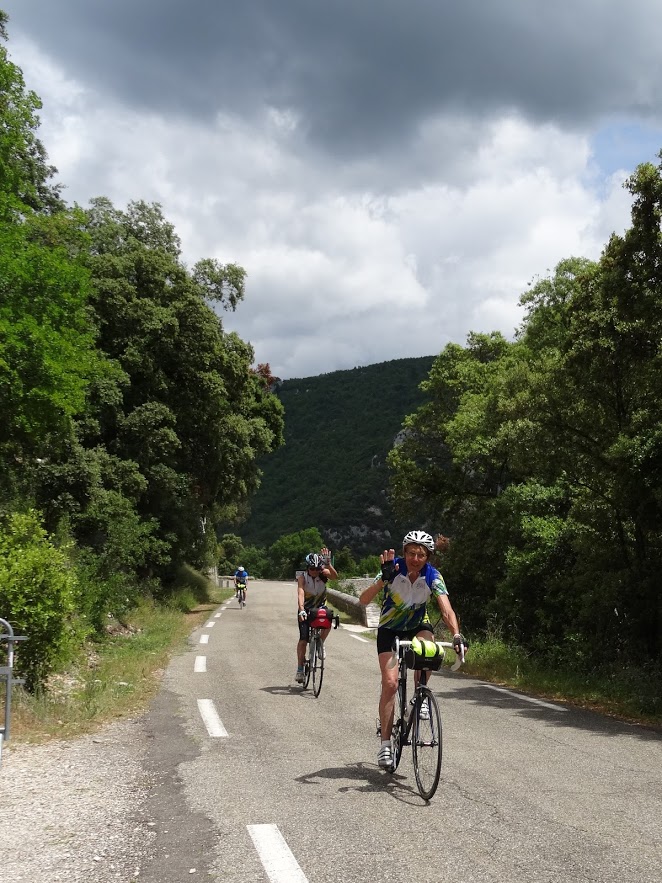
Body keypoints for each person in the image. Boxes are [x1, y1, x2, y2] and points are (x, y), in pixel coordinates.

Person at [359, 530, 466, 770]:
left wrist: (457, 635)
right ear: (404, 552)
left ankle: (422, 694)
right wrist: (381, 580)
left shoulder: (433, 576)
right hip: (390, 628)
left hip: (418, 625)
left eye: (421, 554)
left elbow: (446, 609)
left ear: (428, 557)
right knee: (390, 683)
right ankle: (386, 744)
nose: (415, 559)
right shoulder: (393, 569)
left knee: (429, 651)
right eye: (411, 553)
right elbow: (363, 600)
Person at [295, 547, 338, 683]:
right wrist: (301, 609)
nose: (314, 571)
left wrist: (328, 564)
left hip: (320, 608)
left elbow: (335, 577)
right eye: (312, 569)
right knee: (303, 640)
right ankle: (300, 669)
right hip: (306, 609)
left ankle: (320, 643)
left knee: (329, 618)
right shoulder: (303, 578)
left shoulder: (323, 574)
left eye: (317, 569)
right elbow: (301, 593)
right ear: (307, 568)